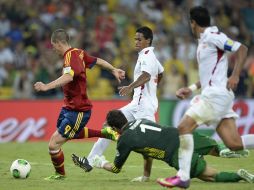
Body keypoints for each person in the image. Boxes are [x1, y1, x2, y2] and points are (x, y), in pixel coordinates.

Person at [162, 6, 254, 188]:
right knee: (234, 144)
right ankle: (183, 176)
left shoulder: (214, 37)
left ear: (193, 23)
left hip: (215, 96)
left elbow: (241, 48)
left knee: (183, 127)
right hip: (216, 94)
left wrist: (235, 75)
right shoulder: (204, 41)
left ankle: (183, 176)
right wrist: (190, 88)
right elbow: (208, 75)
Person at [72, 26, 164, 182]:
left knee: (148, 144)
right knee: (109, 122)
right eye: (135, 39)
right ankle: (91, 159)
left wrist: (130, 87)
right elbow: (160, 72)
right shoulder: (150, 55)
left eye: (139, 39)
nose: (136, 42)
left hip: (143, 107)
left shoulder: (147, 56)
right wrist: (151, 91)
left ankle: (146, 176)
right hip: (137, 103)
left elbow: (147, 76)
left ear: (148, 40)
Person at [34, 28, 125, 180]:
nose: (53, 49)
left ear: (58, 43)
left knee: (53, 144)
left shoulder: (70, 56)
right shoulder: (79, 53)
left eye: (53, 45)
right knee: (71, 133)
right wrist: (113, 69)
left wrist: (46, 86)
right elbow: (98, 61)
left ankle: (60, 175)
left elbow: (68, 77)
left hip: (78, 110)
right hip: (69, 107)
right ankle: (107, 133)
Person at [73, 110, 254, 185]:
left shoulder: (125, 140)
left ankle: (239, 175)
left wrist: (100, 162)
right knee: (217, 147)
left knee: (210, 177)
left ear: (114, 128)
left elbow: (115, 169)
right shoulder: (140, 121)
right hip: (183, 135)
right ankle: (225, 150)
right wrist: (145, 176)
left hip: (177, 154)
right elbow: (146, 153)